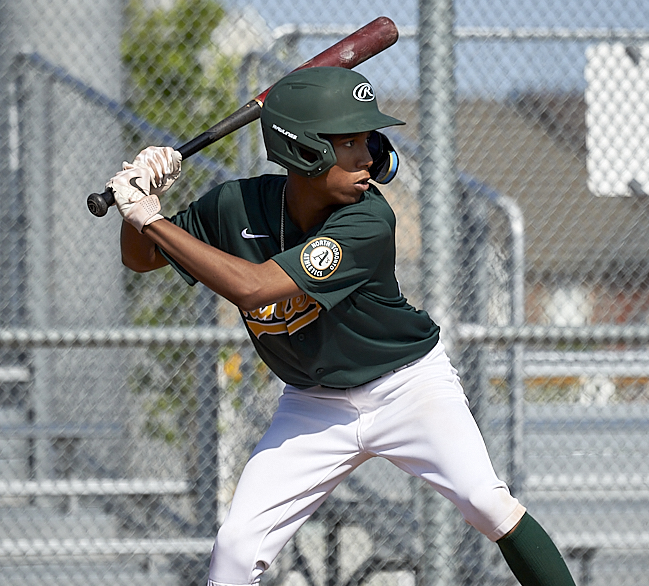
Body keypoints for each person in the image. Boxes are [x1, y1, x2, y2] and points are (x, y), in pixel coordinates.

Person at [106, 66, 577, 586]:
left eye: (368, 139)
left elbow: (253, 287)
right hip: (313, 404)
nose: (368, 156)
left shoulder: (367, 219)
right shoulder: (234, 205)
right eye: (349, 142)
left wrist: (151, 218)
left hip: (406, 386)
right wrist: (138, 203)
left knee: (486, 503)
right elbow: (142, 259)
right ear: (303, 151)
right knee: (236, 548)